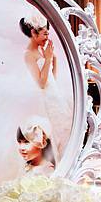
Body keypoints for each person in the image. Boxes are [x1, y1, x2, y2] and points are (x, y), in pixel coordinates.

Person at [19, 12, 71, 162]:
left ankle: (68, 160)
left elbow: (51, 78)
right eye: (45, 34)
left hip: (55, 95)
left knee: (65, 129)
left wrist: (53, 59)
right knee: (56, 132)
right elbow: (41, 83)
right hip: (46, 100)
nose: (47, 37)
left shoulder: (42, 50)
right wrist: (48, 59)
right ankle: (61, 163)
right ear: (33, 33)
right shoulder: (28, 55)